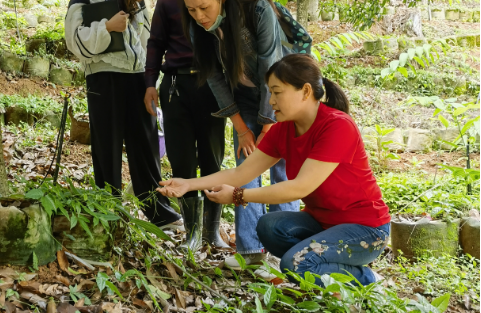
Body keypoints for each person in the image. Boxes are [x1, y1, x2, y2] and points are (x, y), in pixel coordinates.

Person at [157, 54, 391, 285]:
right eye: (270, 92)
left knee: (295, 265)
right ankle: (326, 264)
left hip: (366, 230)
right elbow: (241, 173)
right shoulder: (283, 130)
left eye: (277, 92)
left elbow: (299, 188)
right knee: (269, 227)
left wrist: (238, 195)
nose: (271, 101)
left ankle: (367, 279)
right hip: (321, 224)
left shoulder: (337, 126)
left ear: (306, 91)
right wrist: (188, 184)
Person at [176, 0, 300, 268]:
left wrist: (268, 125)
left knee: (281, 167)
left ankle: (286, 251)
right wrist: (243, 128)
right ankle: (251, 252)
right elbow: (214, 77)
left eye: (204, 7)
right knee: (247, 165)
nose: (199, 16)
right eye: (191, 10)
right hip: (243, 97)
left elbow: (272, 67)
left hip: (283, 93)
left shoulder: (257, 9)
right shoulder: (197, 27)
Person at [64, 0, 181, 229]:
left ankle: (158, 211)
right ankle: (109, 211)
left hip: (137, 78)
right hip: (103, 79)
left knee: (146, 144)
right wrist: (106, 27)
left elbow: (148, 40)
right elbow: (74, 41)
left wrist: (151, 78)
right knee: (107, 146)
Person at [144, 0, 228, 252]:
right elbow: (155, 44)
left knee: (212, 158)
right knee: (181, 159)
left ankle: (212, 232)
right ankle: (192, 233)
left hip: (212, 87)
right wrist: (150, 84)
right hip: (176, 87)